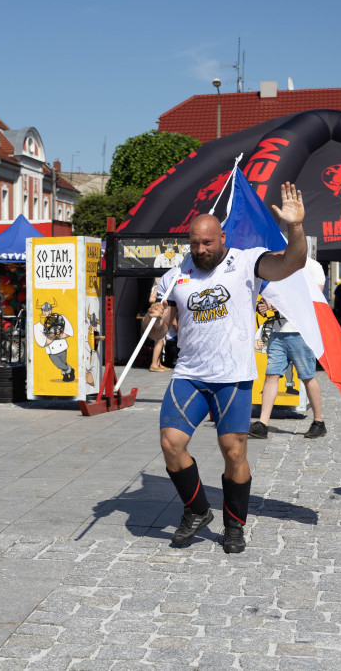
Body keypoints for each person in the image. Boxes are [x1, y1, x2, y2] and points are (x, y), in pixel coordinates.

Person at [143, 182, 308, 554]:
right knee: (171, 444)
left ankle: (235, 524)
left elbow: (291, 262)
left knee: (233, 452)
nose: (200, 250)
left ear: (222, 236)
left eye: (208, 243)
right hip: (189, 374)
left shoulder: (247, 262)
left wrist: (294, 227)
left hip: (232, 376)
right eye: (195, 244)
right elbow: (157, 331)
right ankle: (197, 510)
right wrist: (153, 318)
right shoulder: (175, 276)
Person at [249, 257, 327, 439]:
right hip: (278, 330)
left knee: (307, 376)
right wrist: (267, 304)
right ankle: (263, 423)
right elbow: (275, 293)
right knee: (271, 375)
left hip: (300, 331)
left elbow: (314, 299)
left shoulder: (313, 267)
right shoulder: (282, 265)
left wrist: (283, 302)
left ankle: (319, 421)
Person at [148, 282, 170, 372]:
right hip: (156, 317)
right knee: (159, 340)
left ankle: (158, 363)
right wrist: (162, 301)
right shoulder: (157, 287)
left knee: (162, 340)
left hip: (160, 316)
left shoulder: (160, 287)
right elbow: (151, 299)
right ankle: (154, 364)